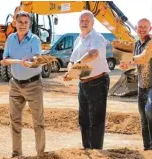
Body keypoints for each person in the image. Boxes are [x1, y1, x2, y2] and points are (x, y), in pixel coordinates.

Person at [1, 11, 45, 158]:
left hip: (33, 84)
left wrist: (31, 61)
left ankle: (41, 154)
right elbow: (6, 55)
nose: (23, 25)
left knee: (38, 121)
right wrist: (5, 60)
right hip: (15, 85)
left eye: (26, 23)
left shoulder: (35, 39)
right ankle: (16, 154)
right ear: (15, 22)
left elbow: (37, 58)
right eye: (20, 22)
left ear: (29, 24)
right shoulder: (10, 39)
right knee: (14, 121)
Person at [64, 10, 110, 149]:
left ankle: (96, 152)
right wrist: (70, 72)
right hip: (83, 83)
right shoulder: (79, 39)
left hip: (97, 82)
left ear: (92, 23)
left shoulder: (97, 38)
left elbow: (93, 53)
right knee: (83, 120)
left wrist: (77, 64)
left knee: (96, 120)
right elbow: (71, 60)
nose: (84, 23)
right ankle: (87, 150)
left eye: (87, 21)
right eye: (82, 21)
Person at [120, 18, 152, 152]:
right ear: (136, 28)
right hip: (142, 85)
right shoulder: (136, 44)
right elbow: (137, 63)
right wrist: (125, 65)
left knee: (149, 110)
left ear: (150, 28)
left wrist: (131, 61)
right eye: (140, 27)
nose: (142, 29)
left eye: (145, 27)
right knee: (143, 116)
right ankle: (147, 148)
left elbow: (144, 57)